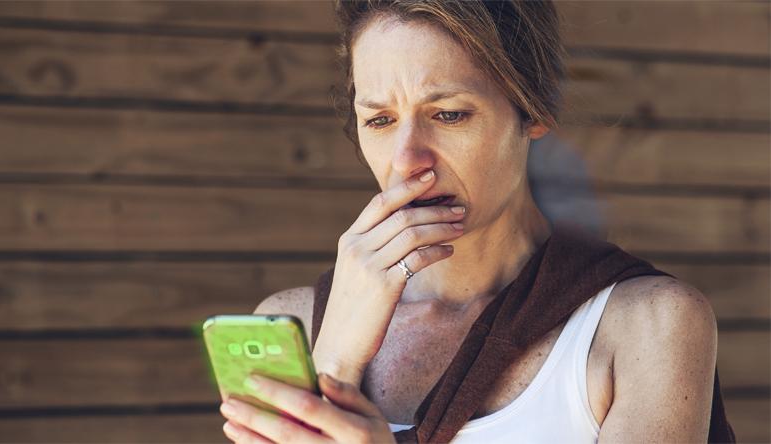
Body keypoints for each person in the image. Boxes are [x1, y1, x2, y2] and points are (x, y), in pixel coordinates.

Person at [218, 1, 720, 442]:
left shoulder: (645, 326)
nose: (407, 159)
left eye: (449, 114)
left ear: (534, 109)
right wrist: (335, 365)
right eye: (379, 121)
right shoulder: (290, 328)